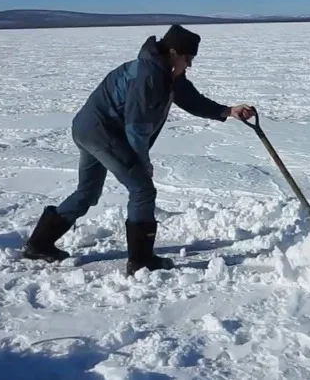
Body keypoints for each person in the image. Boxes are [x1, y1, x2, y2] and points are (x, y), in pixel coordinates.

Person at [22, 24, 255, 275]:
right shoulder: (149, 75)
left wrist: (227, 111)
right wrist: (142, 161)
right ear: (174, 52)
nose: (189, 65)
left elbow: (190, 99)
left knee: (88, 192)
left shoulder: (164, 71)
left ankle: (39, 244)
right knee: (142, 188)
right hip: (103, 133)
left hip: (88, 129)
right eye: (188, 59)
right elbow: (137, 126)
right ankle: (141, 261)